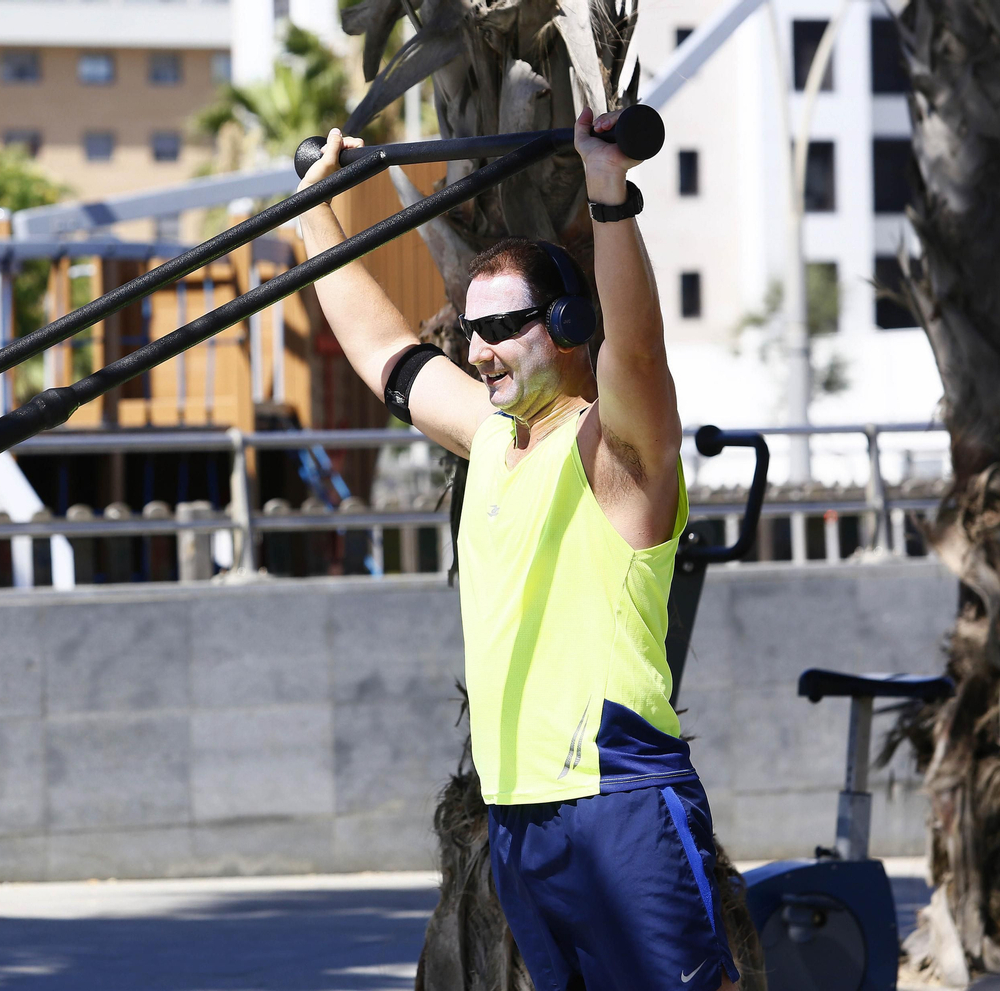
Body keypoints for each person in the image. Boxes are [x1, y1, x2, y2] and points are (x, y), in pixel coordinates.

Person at [295, 108, 739, 991]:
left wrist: (608, 193)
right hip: (518, 816)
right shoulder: (492, 441)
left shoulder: (615, 455)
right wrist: (318, 210)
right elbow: (386, 352)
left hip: (620, 800)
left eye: (505, 328)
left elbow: (640, 355)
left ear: (570, 324)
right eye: (471, 329)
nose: (481, 350)